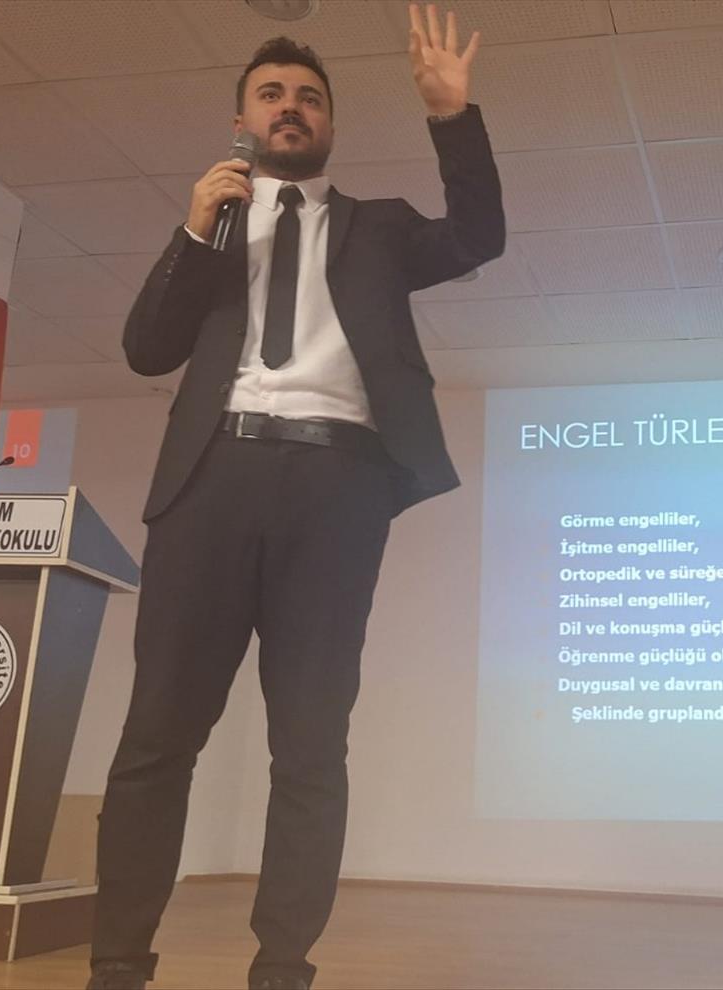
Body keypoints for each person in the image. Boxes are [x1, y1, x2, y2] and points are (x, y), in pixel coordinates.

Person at [87, 6, 502, 988]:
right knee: (156, 737)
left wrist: (452, 117)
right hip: (211, 482)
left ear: (328, 125)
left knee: (310, 745)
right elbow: (146, 349)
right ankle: (117, 964)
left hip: (335, 486)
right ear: (241, 121)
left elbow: (478, 235)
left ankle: (281, 967)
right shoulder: (213, 233)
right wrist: (193, 229)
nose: (290, 107)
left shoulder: (379, 229)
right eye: (271, 95)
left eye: (308, 98)